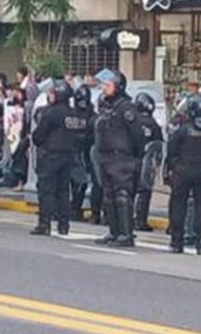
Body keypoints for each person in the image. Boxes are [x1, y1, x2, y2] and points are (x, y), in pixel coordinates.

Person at [30, 80, 90, 236]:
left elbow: (38, 135)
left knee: (46, 190)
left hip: (50, 155)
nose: (50, 96)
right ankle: (64, 224)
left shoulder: (51, 113)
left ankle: (45, 223)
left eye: (52, 93)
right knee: (63, 191)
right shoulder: (73, 113)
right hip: (68, 155)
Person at [94, 71, 145, 248]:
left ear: (118, 87)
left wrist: (135, 156)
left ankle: (126, 233)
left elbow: (138, 135)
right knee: (109, 196)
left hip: (122, 158)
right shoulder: (107, 107)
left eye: (107, 85)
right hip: (106, 157)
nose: (103, 89)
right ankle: (114, 231)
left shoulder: (127, 108)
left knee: (122, 195)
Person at [167, 94, 201, 255]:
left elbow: (172, 150)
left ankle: (176, 240)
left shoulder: (182, 130)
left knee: (178, 205)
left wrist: (172, 166)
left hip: (183, 170)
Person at [133, 92, 164, 232]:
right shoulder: (154, 125)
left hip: (131, 160)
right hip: (147, 162)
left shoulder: (132, 121)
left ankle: (131, 218)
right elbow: (159, 144)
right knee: (145, 191)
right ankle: (140, 220)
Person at [70, 84, 98, 223]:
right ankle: (73, 209)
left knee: (81, 183)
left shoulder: (91, 115)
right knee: (78, 183)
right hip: (74, 152)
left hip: (84, 154)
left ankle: (75, 209)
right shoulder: (72, 114)